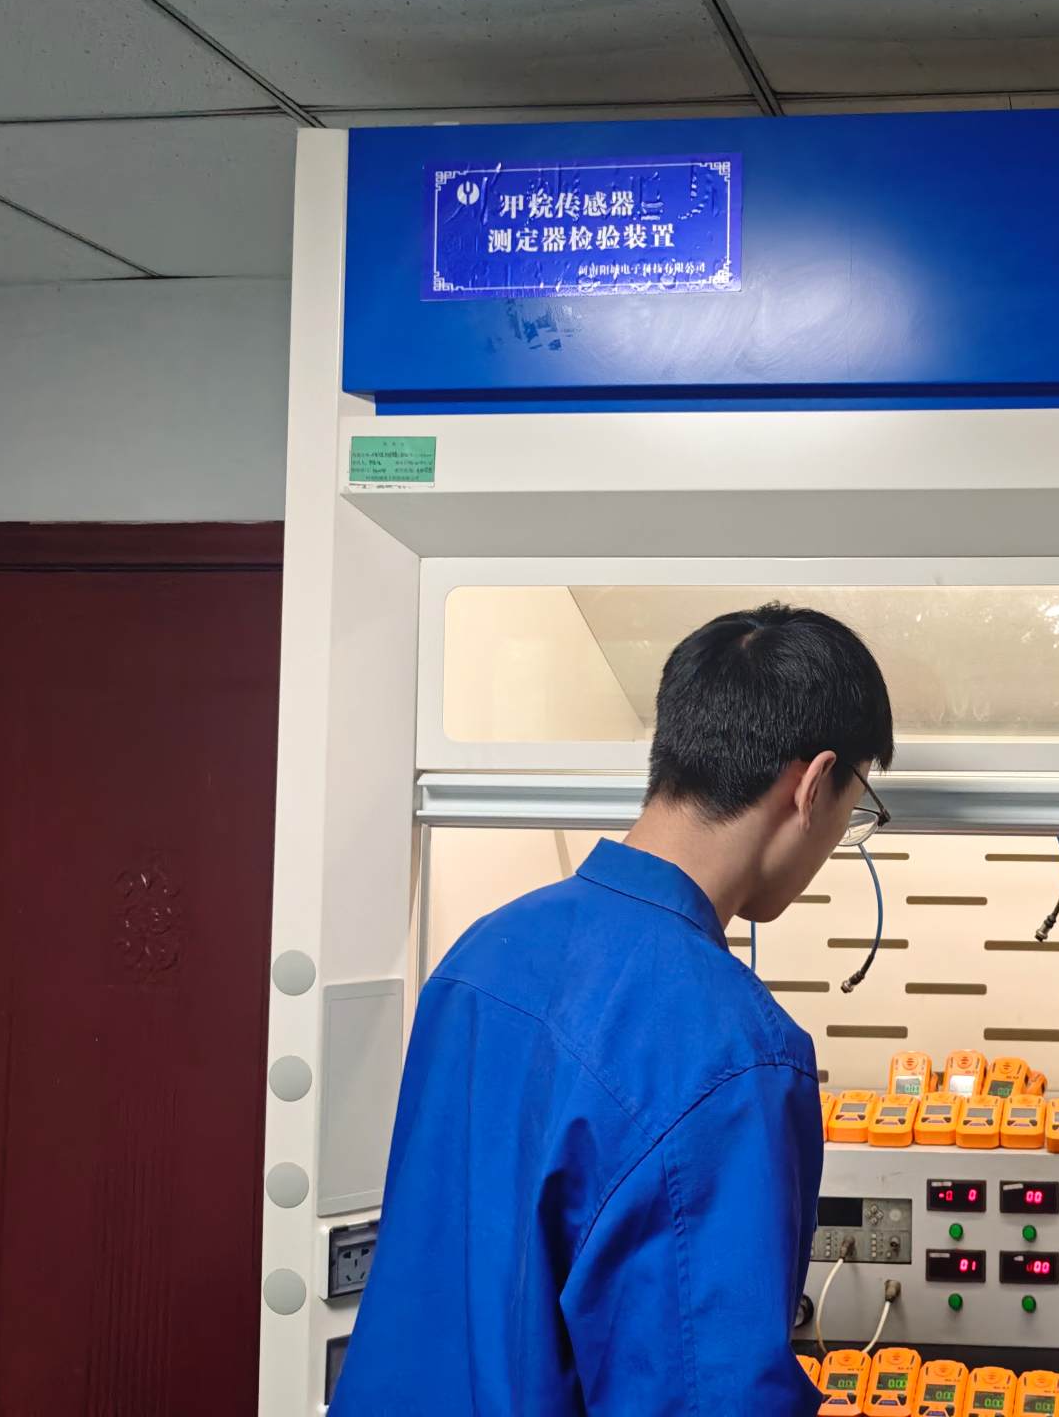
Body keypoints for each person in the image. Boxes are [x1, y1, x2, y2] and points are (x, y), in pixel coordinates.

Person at [331, 603, 894, 1416]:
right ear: (812, 786)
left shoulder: (479, 957)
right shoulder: (735, 1052)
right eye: (855, 809)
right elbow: (705, 1397)